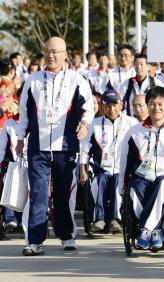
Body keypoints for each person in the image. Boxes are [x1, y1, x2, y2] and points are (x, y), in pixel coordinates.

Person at [16, 36, 94, 256]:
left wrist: (85, 124)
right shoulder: (33, 80)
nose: (51, 55)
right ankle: (35, 240)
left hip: (66, 145)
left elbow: (88, 106)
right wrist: (21, 138)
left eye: (56, 52)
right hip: (38, 147)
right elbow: (23, 113)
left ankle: (67, 236)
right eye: (47, 51)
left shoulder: (76, 79)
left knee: (63, 194)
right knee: (39, 193)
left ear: (65, 54)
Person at [118, 86, 164, 251]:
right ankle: (156, 230)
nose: (156, 108)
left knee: (162, 183)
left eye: (160, 104)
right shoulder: (134, 132)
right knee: (135, 188)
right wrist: (121, 186)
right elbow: (125, 161)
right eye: (151, 103)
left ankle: (145, 230)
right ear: (147, 105)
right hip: (142, 177)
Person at [80, 89, 137, 233]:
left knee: (118, 181)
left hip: (122, 169)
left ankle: (114, 219)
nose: (112, 109)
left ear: (121, 105)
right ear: (103, 107)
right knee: (99, 181)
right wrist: (82, 169)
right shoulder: (95, 124)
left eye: (115, 105)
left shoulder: (131, 123)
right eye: (108, 106)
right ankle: (99, 219)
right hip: (102, 169)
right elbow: (85, 148)